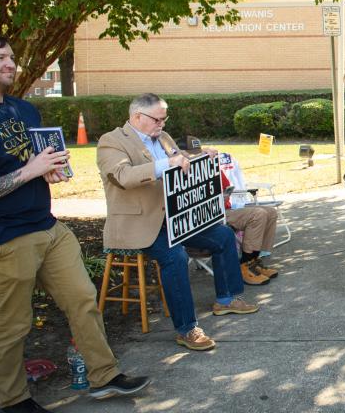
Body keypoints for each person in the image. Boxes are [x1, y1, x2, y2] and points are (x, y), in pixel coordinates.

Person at [0, 36, 150, 413]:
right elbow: (19, 171)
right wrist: (28, 170)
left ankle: (104, 375)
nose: (10, 63)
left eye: (12, 56)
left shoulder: (24, 110)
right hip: (8, 236)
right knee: (13, 325)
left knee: (84, 300)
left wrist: (47, 170)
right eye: (0, 57)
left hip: (49, 227)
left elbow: (32, 162)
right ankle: (11, 399)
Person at [97, 94, 259, 352]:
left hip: (176, 219)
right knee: (175, 257)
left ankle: (226, 299)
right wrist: (165, 164)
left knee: (223, 236)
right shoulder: (112, 141)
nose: (162, 123)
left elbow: (180, 161)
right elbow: (122, 176)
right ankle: (186, 329)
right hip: (141, 225)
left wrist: (199, 158)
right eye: (157, 119)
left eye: (164, 118)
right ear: (137, 117)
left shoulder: (162, 137)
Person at [218, 152, 279, 284]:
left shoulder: (210, 168)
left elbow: (226, 186)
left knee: (271, 212)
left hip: (226, 208)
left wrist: (224, 195)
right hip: (212, 216)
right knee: (258, 214)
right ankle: (245, 264)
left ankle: (255, 259)